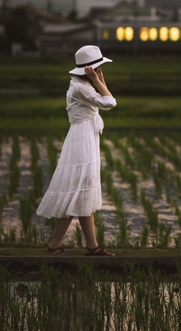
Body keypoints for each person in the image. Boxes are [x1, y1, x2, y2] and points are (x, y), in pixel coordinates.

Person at [37, 44, 117, 255]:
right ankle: (59, 245)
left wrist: (99, 80)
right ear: (90, 69)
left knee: (82, 192)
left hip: (86, 138)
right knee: (77, 191)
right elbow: (110, 102)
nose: (100, 72)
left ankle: (89, 246)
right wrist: (98, 81)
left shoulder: (84, 84)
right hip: (81, 142)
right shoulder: (81, 87)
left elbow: (105, 99)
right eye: (98, 68)